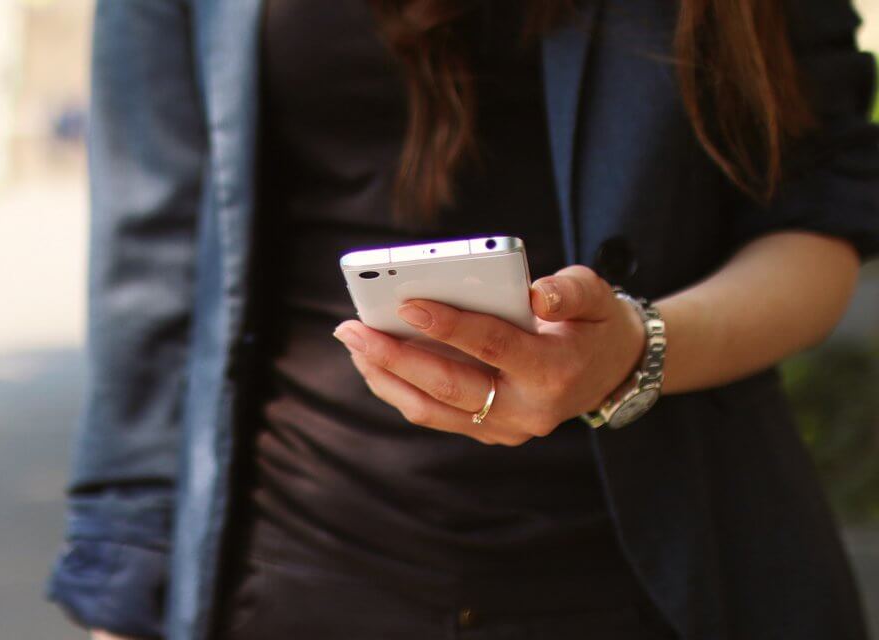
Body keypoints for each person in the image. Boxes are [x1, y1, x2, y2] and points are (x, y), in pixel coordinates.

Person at [47, 0, 879, 638]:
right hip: (291, 569)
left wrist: (636, 351)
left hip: (677, 570)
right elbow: (153, 262)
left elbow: (818, 214)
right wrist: (123, 589)